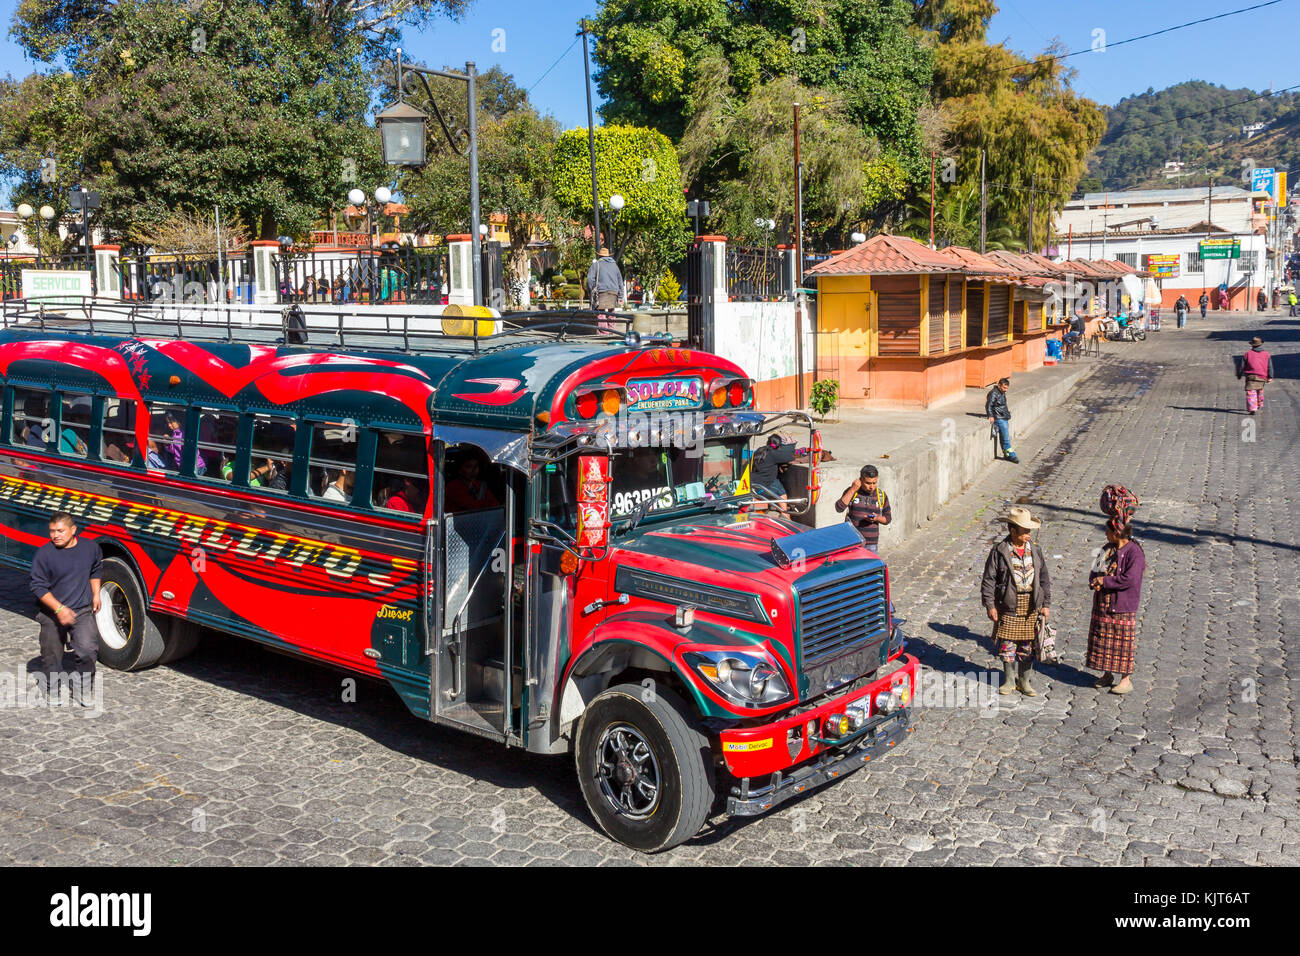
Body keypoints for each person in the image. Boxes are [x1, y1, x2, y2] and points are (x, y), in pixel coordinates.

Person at [30, 512, 103, 706]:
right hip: (51, 613)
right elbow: (37, 586)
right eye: (52, 531)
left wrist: (96, 594)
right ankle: (52, 689)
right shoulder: (44, 554)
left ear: (73, 530)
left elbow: (95, 570)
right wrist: (59, 609)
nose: (55, 535)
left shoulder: (90, 548)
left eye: (60, 531)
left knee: (87, 650)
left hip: (82, 609)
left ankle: (83, 689)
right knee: (51, 653)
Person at [980, 507, 1051, 697]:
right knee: (1008, 646)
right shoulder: (1000, 551)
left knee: (1027, 647)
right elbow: (989, 579)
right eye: (1025, 531)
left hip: (1031, 606)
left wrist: (1046, 604)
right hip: (1009, 606)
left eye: (1029, 531)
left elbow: (1044, 578)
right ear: (1013, 531)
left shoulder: (1035, 551)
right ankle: (1009, 680)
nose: (1029, 534)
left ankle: (1024, 681)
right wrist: (990, 605)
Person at [1087, 519, 1146, 695]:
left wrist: (1105, 580)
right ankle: (1107, 674)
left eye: (1107, 531)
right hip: (1103, 605)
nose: (1105, 534)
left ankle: (1126, 680)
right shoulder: (1106, 549)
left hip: (1122, 606)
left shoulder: (1134, 553)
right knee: (1104, 640)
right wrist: (1094, 582)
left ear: (1117, 532)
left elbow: (1130, 579)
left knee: (1122, 644)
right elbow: (1094, 570)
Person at [836, 464, 892, 552]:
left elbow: (888, 519)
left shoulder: (881, 495)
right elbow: (839, 508)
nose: (872, 487)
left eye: (874, 483)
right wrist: (853, 489)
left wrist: (877, 518)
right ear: (860, 480)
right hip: (852, 541)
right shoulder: (852, 492)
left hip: (871, 544)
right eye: (868, 483)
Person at [751, 434, 795, 500]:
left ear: (767, 442)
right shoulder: (773, 453)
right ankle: (783, 510)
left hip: (753, 484)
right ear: (779, 445)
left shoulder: (759, 450)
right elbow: (791, 457)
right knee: (782, 494)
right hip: (765, 486)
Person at [1238, 335, 1274, 414]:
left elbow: (1241, 366)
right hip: (1262, 377)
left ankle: (1252, 408)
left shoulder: (1247, 354)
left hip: (1250, 377)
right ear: (1261, 344)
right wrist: (1270, 376)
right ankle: (1259, 403)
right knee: (1259, 390)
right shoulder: (1266, 354)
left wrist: (1239, 374)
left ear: (1252, 345)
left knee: (1250, 392)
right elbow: (1270, 366)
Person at [986, 377, 1018, 463]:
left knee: (1004, 437)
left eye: (1007, 388)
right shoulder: (993, 393)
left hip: (1004, 418)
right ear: (999, 385)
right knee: (1006, 438)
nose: (1006, 390)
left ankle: (1006, 454)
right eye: (1004, 387)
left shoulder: (1002, 392)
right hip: (999, 418)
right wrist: (990, 415)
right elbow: (988, 405)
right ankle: (1011, 455)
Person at [586, 246, 624, 311]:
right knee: (611, 313)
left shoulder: (596, 265)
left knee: (601, 313)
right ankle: (611, 321)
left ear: (599, 256)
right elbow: (620, 282)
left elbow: (589, 279)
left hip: (601, 292)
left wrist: (591, 291)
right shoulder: (615, 266)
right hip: (614, 293)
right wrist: (620, 296)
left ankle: (602, 321)